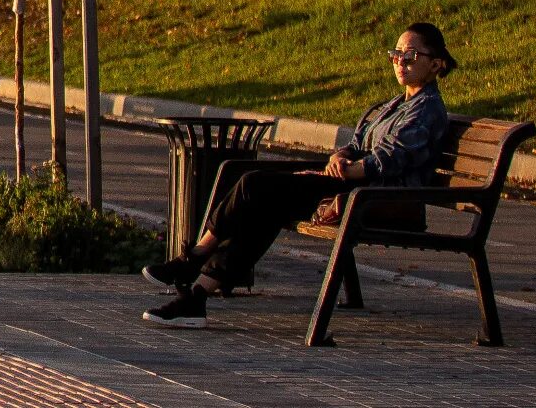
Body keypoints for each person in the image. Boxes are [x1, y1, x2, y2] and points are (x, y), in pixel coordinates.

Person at [140, 23, 455, 328]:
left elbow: (394, 158)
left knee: (255, 184)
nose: (400, 62)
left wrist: (348, 170)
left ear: (436, 64)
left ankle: (194, 258)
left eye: (410, 55)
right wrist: (340, 156)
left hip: (375, 196)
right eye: (396, 54)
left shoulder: (426, 110)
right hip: (354, 185)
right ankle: (196, 296)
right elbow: (358, 144)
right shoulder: (395, 105)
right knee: (265, 205)